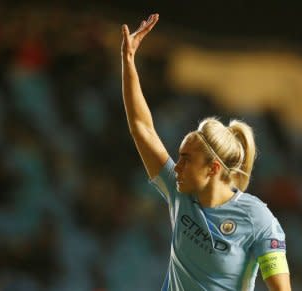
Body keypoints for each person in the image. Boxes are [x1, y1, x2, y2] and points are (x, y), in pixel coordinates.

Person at [121, 13, 291, 291]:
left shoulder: (258, 219)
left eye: (186, 160)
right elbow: (142, 128)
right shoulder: (180, 195)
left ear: (213, 168)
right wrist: (128, 62)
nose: (176, 166)